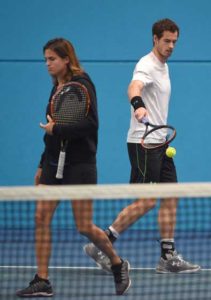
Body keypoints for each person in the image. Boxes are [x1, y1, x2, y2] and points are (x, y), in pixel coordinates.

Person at [84, 19, 201, 274]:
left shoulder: (163, 66)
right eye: (166, 41)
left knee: (171, 196)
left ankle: (167, 257)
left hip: (160, 141)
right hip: (143, 143)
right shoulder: (146, 65)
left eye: (174, 42)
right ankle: (102, 244)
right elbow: (133, 87)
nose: (171, 46)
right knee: (147, 201)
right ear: (155, 39)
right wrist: (138, 105)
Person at [16, 38, 131, 297]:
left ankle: (116, 262)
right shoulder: (56, 88)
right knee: (40, 217)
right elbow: (51, 130)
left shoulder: (82, 85)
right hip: (53, 163)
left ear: (66, 59)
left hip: (80, 165)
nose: (47, 64)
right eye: (45, 59)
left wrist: (57, 129)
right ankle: (42, 280)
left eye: (52, 59)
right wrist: (41, 163)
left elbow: (90, 126)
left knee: (83, 226)